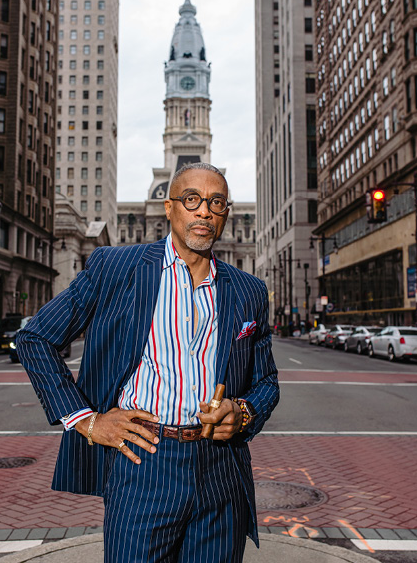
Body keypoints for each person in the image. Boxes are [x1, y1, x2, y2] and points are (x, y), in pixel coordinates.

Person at [16, 163, 279, 562]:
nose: (204, 211)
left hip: (222, 471)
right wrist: (86, 420)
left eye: (216, 203)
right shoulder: (116, 268)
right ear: (169, 208)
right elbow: (35, 338)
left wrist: (242, 413)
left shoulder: (248, 290)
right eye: (191, 200)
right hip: (143, 462)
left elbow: (266, 383)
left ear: (226, 214)